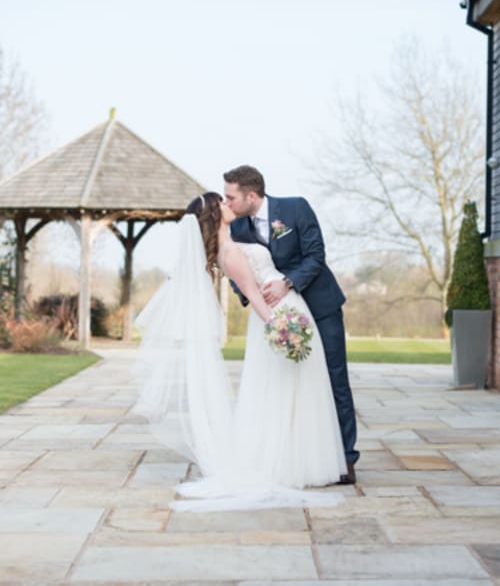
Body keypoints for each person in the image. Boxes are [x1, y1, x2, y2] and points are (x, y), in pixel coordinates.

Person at [132, 192, 347, 511]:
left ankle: (297, 460)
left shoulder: (232, 242)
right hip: (277, 315)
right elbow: (253, 294)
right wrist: (281, 328)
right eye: (222, 202)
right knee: (287, 390)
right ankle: (289, 465)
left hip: (284, 308)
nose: (228, 204)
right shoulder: (229, 251)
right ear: (215, 215)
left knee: (295, 389)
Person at [223, 165, 359, 484]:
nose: (226, 202)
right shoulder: (237, 228)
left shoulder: (296, 207)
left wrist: (288, 282)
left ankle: (346, 458)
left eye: (231, 197)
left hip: (320, 306)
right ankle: (299, 455)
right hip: (277, 315)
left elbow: (315, 255)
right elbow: (237, 271)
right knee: (288, 383)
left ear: (251, 195)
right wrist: (254, 299)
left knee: (334, 376)